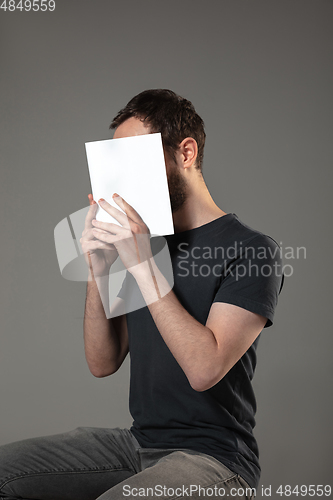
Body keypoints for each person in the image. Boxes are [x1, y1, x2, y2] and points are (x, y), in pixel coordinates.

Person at [0, 89, 283, 500]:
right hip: (137, 445)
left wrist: (140, 262)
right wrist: (98, 269)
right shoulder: (146, 242)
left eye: (134, 160)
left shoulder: (252, 249)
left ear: (185, 153)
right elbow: (103, 362)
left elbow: (205, 370)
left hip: (216, 460)